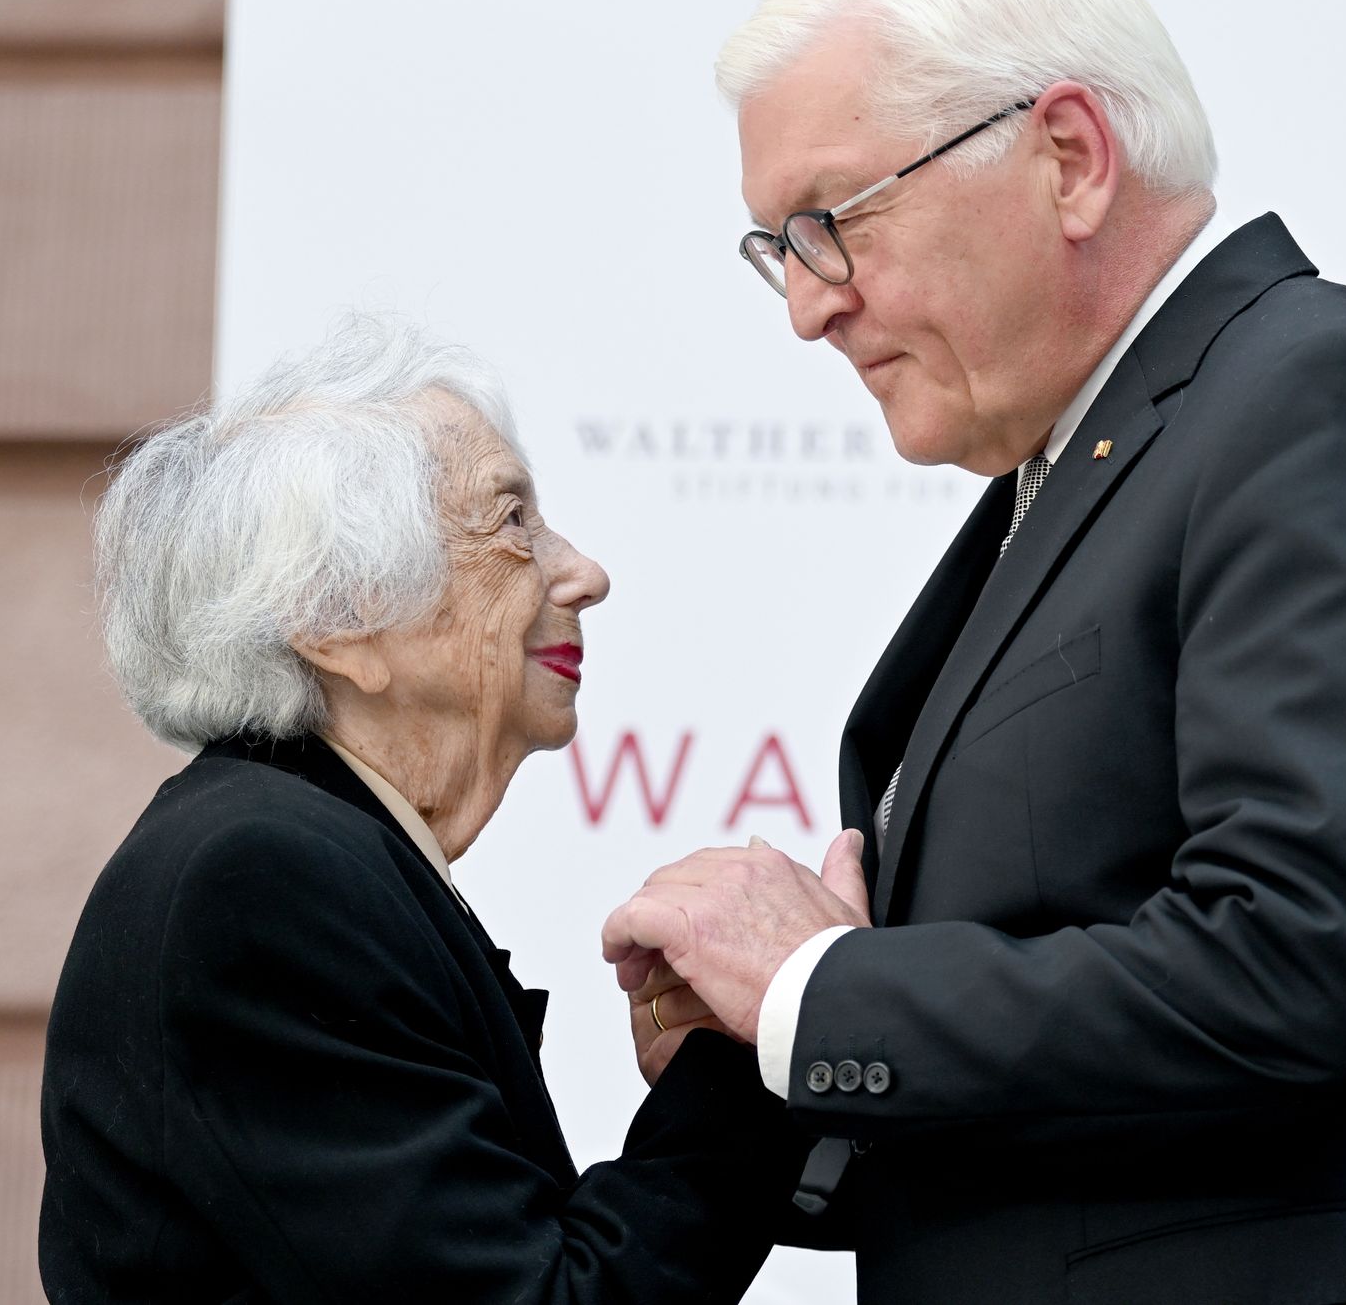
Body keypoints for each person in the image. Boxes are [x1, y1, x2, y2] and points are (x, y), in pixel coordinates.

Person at [602, 0, 1346, 1304]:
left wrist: (821, 991)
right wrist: (784, 1060)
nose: (806, 305)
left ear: (1072, 157)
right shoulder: (1098, 463)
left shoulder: (1324, 403)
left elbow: (1306, 968)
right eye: (773, 247)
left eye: (829, 222)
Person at [39, 321, 799, 1303]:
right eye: (512, 520)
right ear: (339, 618)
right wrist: (752, 1038)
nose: (582, 573)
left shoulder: (298, 849)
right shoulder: (260, 881)